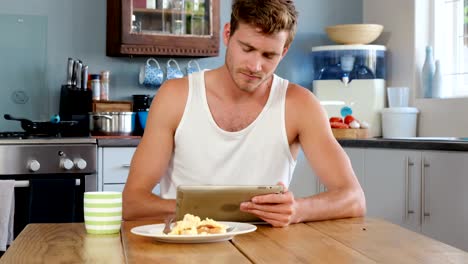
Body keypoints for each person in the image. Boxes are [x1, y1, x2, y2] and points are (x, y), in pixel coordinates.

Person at [123, 0, 366, 227]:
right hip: (187, 244)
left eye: (269, 55)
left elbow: (354, 198)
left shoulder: (300, 105)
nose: (255, 66)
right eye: (247, 48)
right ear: (228, 35)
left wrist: (298, 210)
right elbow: (132, 203)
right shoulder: (175, 96)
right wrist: (208, 215)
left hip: (267, 249)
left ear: (283, 52)